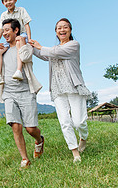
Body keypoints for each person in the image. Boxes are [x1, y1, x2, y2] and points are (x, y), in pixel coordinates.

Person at [30, 18, 90, 163]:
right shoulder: (53, 50)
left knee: (79, 121)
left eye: (65, 27)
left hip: (74, 87)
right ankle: (75, 152)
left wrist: (39, 46)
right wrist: (28, 44)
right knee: (65, 122)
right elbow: (42, 54)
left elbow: (54, 52)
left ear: (70, 30)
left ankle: (83, 137)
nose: (62, 30)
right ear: (56, 32)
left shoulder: (73, 45)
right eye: (59, 28)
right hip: (58, 89)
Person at [0, 18, 44, 168]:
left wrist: (23, 43)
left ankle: (39, 140)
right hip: (8, 93)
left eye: (7, 30)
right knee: (16, 126)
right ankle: (25, 159)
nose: (4, 33)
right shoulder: (3, 50)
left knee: (30, 128)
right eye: (3, 30)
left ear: (16, 30)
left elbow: (26, 57)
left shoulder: (23, 46)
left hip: (26, 91)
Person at [0, 0, 33, 87]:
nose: (8, 2)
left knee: (19, 40)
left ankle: (19, 70)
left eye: (10, 0)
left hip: (22, 35)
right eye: (6, 1)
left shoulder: (21, 10)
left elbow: (27, 24)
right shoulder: (3, 15)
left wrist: (29, 38)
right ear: (3, 3)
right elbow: (1, 30)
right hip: (10, 38)